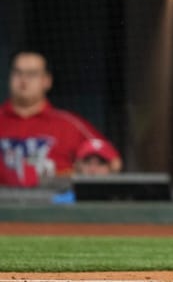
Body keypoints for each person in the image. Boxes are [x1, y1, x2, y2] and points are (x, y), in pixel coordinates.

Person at [0, 51, 118, 187]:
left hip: (56, 204)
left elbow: (113, 161)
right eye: (18, 73)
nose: (23, 80)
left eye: (31, 74)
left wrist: (75, 176)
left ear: (47, 81)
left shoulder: (68, 124)